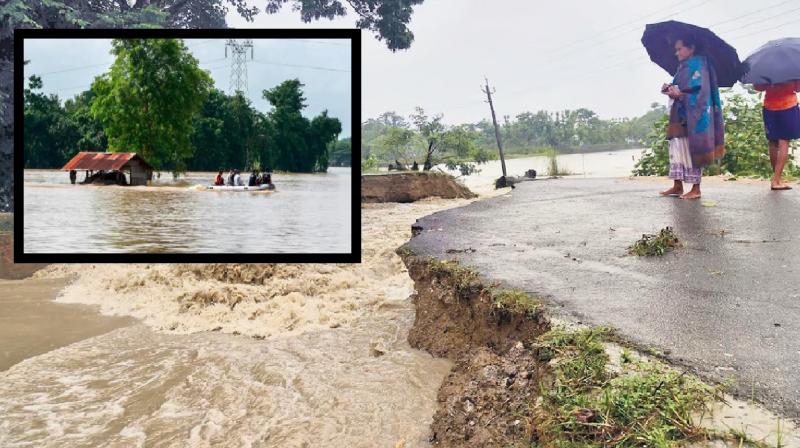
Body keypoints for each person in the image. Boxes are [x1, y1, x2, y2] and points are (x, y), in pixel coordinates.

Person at [659, 35, 725, 200]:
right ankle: (677, 185)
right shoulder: (683, 67)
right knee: (677, 148)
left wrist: (680, 94)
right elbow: (679, 87)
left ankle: (696, 188)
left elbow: (701, 93)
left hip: (694, 115)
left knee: (692, 148)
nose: (677, 53)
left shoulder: (700, 65)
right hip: (680, 113)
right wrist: (669, 88)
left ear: (691, 48)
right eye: (676, 49)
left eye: (679, 48)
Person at [753, 80, 800, 190]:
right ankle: (776, 180)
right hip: (788, 106)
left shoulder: (765, 66)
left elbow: (757, 87)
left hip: (769, 106)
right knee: (784, 141)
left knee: (773, 141)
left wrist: (771, 84)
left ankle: (777, 178)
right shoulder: (791, 67)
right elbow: (798, 88)